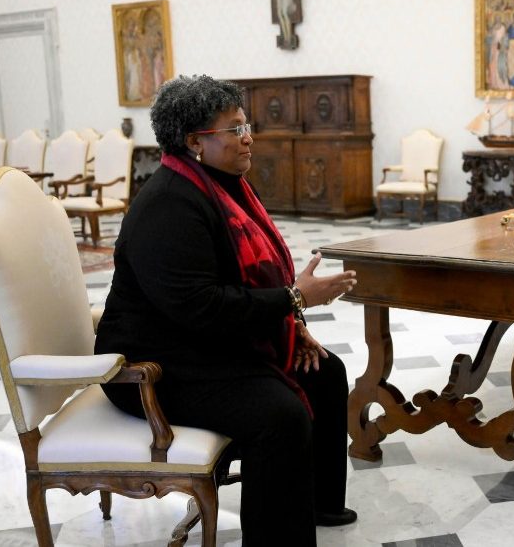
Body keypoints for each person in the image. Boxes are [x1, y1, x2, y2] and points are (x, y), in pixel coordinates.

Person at [95, 75, 358, 546]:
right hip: (155, 366)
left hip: (204, 345)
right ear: (195, 141)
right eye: (234, 128)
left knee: (324, 370)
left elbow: (241, 284)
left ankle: (318, 505)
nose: (248, 136)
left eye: (245, 124)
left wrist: (292, 326)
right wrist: (295, 299)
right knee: (278, 415)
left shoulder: (221, 185)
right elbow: (202, 307)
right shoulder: (168, 205)